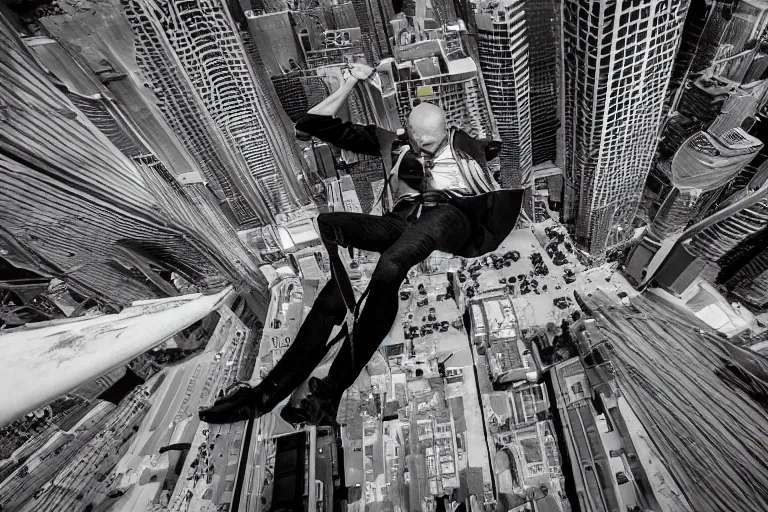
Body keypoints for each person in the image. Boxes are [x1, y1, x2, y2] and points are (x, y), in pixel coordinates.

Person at [199, 62, 523, 426]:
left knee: (390, 266)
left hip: (451, 217)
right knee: (330, 225)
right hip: (402, 222)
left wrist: (483, 155)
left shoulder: (464, 147)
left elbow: (484, 160)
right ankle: (261, 397)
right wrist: (350, 82)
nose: (425, 151)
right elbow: (311, 125)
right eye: (419, 143)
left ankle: (331, 389)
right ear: (410, 135)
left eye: (432, 144)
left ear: (446, 131)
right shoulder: (398, 146)